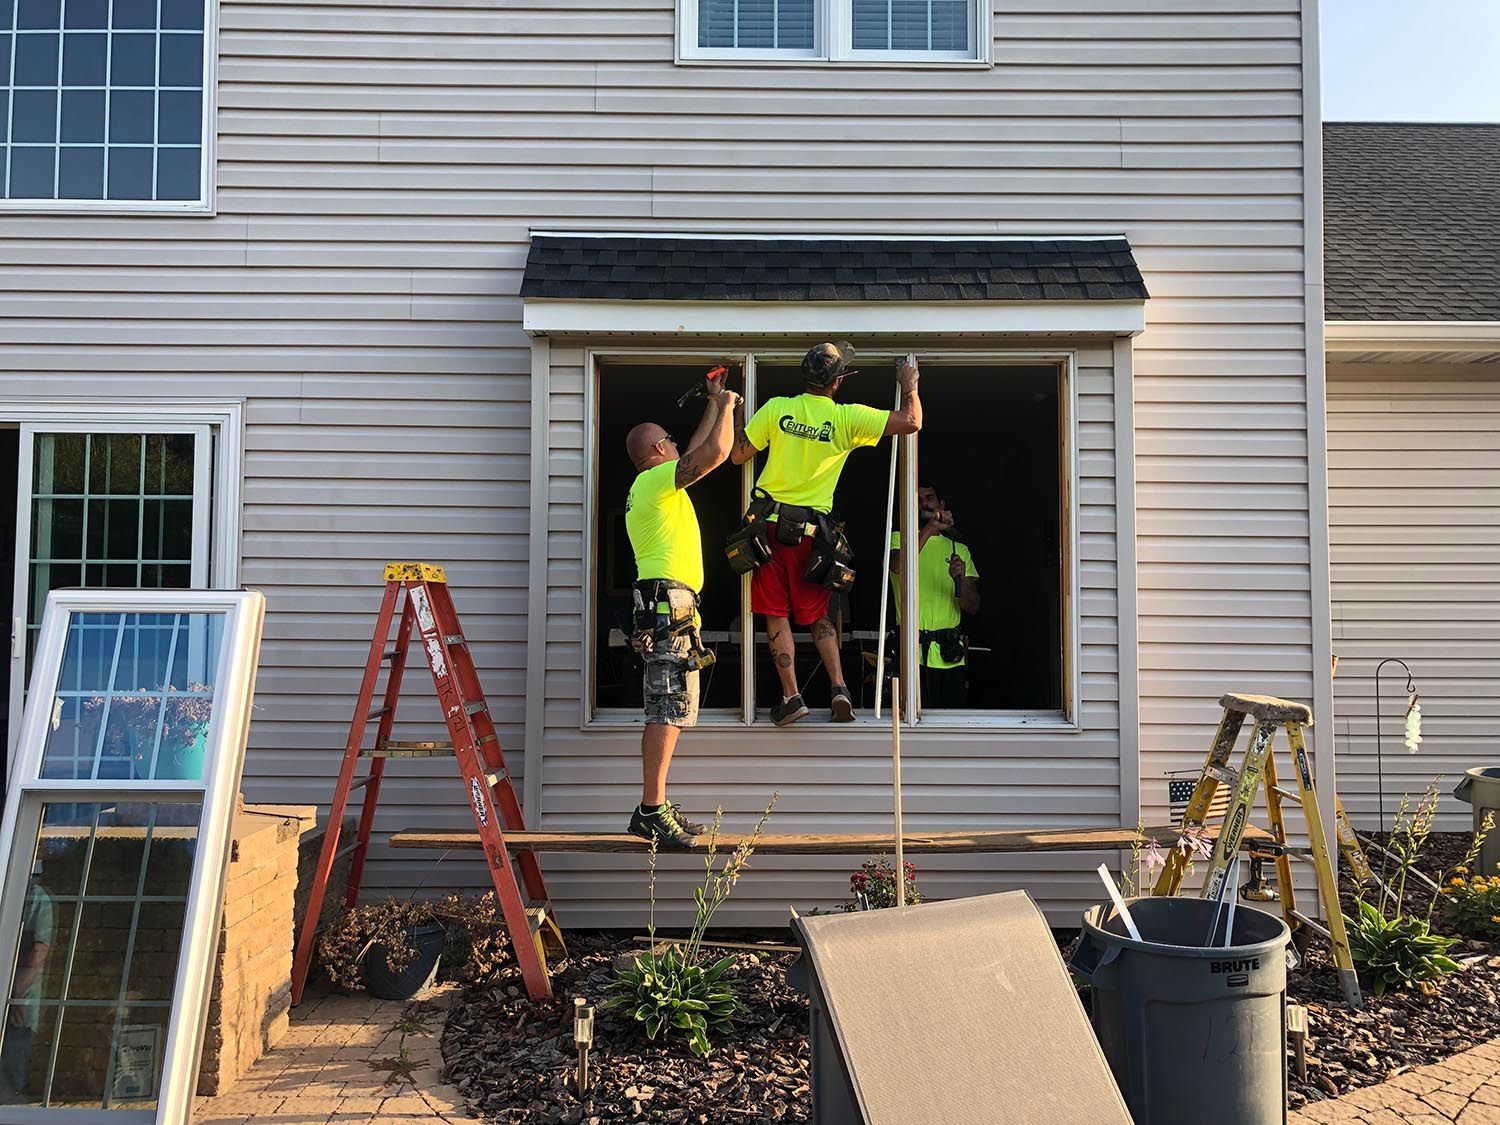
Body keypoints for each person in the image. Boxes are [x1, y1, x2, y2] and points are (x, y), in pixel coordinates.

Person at [730, 343, 922, 725]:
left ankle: (792, 697)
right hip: (813, 534)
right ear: (838, 382)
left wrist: (737, 415)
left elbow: (738, 455)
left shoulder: (777, 408)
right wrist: (909, 383)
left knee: (776, 613)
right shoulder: (847, 418)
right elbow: (911, 421)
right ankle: (839, 688)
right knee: (819, 613)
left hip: (770, 530)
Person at [623, 368, 741, 849]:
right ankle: (651, 810)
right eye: (669, 440)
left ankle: (657, 804)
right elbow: (713, 454)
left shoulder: (656, 486)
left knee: (671, 705)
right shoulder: (655, 482)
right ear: (658, 449)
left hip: (670, 604)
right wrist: (729, 407)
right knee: (666, 707)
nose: (676, 444)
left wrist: (712, 401)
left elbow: (694, 450)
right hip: (667, 604)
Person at [889, 483, 981, 709]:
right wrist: (930, 529)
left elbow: (973, 606)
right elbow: (898, 566)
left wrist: (961, 578)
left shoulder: (960, 549)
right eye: (918, 500)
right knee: (911, 722)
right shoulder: (899, 538)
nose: (924, 504)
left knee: (952, 724)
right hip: (911, 654)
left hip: (950, 656)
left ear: (941, 504)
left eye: (929, 498)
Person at [0, 880, 53, 1103]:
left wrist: (16, 994)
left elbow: (39, 950)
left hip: (18, 1005)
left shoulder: (36, 898)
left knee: (9, 1082)